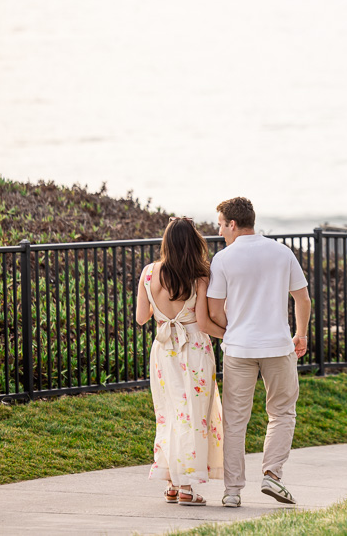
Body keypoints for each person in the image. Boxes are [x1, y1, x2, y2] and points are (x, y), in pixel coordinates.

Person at [208, 197, 312, 508]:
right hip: (278, 346)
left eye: (221, 225)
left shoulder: (223, 259)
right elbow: (302, 299)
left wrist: (235, 329)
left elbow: (214, 310)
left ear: (233, 224)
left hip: (239, 350)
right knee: (282, 413)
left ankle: (232, 491)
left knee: (235, 421)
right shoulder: (282, 252)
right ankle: (272, 474)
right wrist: (301, 334)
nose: (220, 231)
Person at [135, 216, 225, 507]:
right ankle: (187, 487)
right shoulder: (199, 277)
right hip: (194, 349)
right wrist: (231, 335)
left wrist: (163, 313)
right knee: (193, 417)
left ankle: (172, 483)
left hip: (163, 350)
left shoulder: (148, 273)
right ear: (193, 244)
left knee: (169, 415)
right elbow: (204, 323)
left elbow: (141, 317)